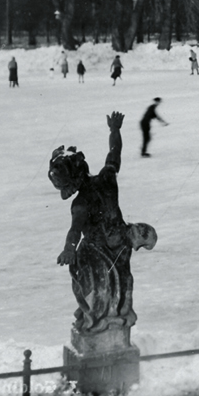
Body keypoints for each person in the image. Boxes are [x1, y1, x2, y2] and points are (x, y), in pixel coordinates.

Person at [49, 112, 158, 335]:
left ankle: (98, 322)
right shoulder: (106, 177)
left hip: (99, 251)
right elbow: (114, 153)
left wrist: (69, 249)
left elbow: (75, 230)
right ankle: (110, 319)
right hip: (120, 244)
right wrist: (115, 130)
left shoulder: (80, 203)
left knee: (100, 290)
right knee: (121, 286)